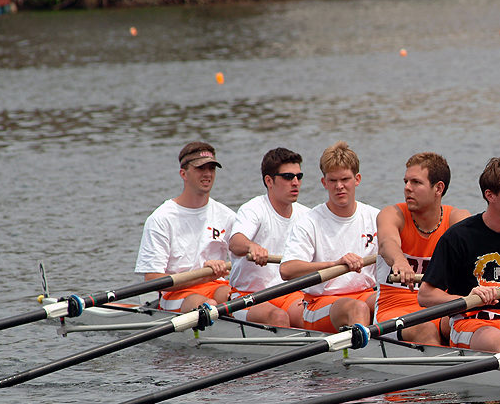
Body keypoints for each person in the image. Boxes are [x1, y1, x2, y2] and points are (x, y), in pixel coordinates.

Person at [418, 157, 500, 352]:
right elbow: (425, 295)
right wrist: (467, 297)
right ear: (490, 195)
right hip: (471, 319)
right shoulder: (458, 237)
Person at [280, 141, 378, 333]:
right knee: (357, 308)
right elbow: (287, 269)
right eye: (333, 181)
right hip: (319, 302)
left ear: (357, 179)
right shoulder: (309, 222)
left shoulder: (376, 217)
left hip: (366, 294)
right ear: (324, 183)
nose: (339, 186)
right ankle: (363, 359)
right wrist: (335, 264)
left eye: (345, 179)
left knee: (393, 302)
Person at [375, 152, 469, 344]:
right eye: (406, 181)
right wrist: (400, 261)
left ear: (438, 188)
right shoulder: (393, 214)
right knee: (426, 329)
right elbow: (387, 243)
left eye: (416, 182)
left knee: (472, 323)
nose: (407, 188)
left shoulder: (458, 219)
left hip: (439, 306)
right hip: (393, 310)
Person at [135, 141, 235, 313]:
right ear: (183, 173)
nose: (207, 174)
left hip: (218, 285)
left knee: (237, 298)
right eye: (200, 169)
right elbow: (152, 279)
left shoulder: (227, 216)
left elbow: (242, 265)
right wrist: (205, 275)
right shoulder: (161, 219)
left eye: (211, 169)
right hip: (175, 294)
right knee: (210, 306)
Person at [227, 147, 310, 328]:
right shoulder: (254, 209)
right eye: (288, 177)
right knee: (278, 317)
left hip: (288, 293)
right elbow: (235, 242)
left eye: (299, 176)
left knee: (309, 317)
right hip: (248, 295)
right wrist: (251, 247)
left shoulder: (307, 215)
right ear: (269, 181)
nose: (295, 182)